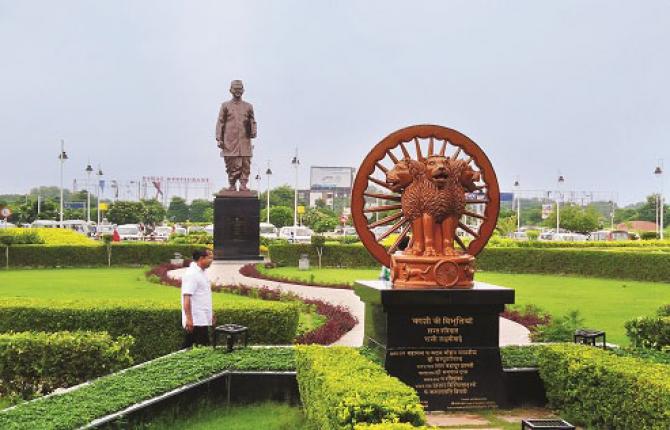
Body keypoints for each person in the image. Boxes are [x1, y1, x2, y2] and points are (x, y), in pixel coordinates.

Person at [215, 80, 257, 192]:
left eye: (240, 89)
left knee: (245, 162)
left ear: (243, 90)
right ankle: (232, 184)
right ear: (230, 90)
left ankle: (243, 184)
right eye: (235, 89)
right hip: (229, 140)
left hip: (245, 140)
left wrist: (253, 131)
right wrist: (219, 138)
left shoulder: (248, 106)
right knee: (231, 163)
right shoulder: (225, 106)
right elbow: (220, 122)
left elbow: (253, 121)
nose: (238, 91)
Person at [181, 249, 215, 347]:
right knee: (199, 347)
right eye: (210, 258)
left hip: (201, 318)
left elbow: (203, 296)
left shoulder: (202, 273)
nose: (212, 260)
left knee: (191, 346)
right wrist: (189, 319)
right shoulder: (192, 274)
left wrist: (211, 312)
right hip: (196, 319)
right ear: (201, 258)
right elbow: (186, 298)